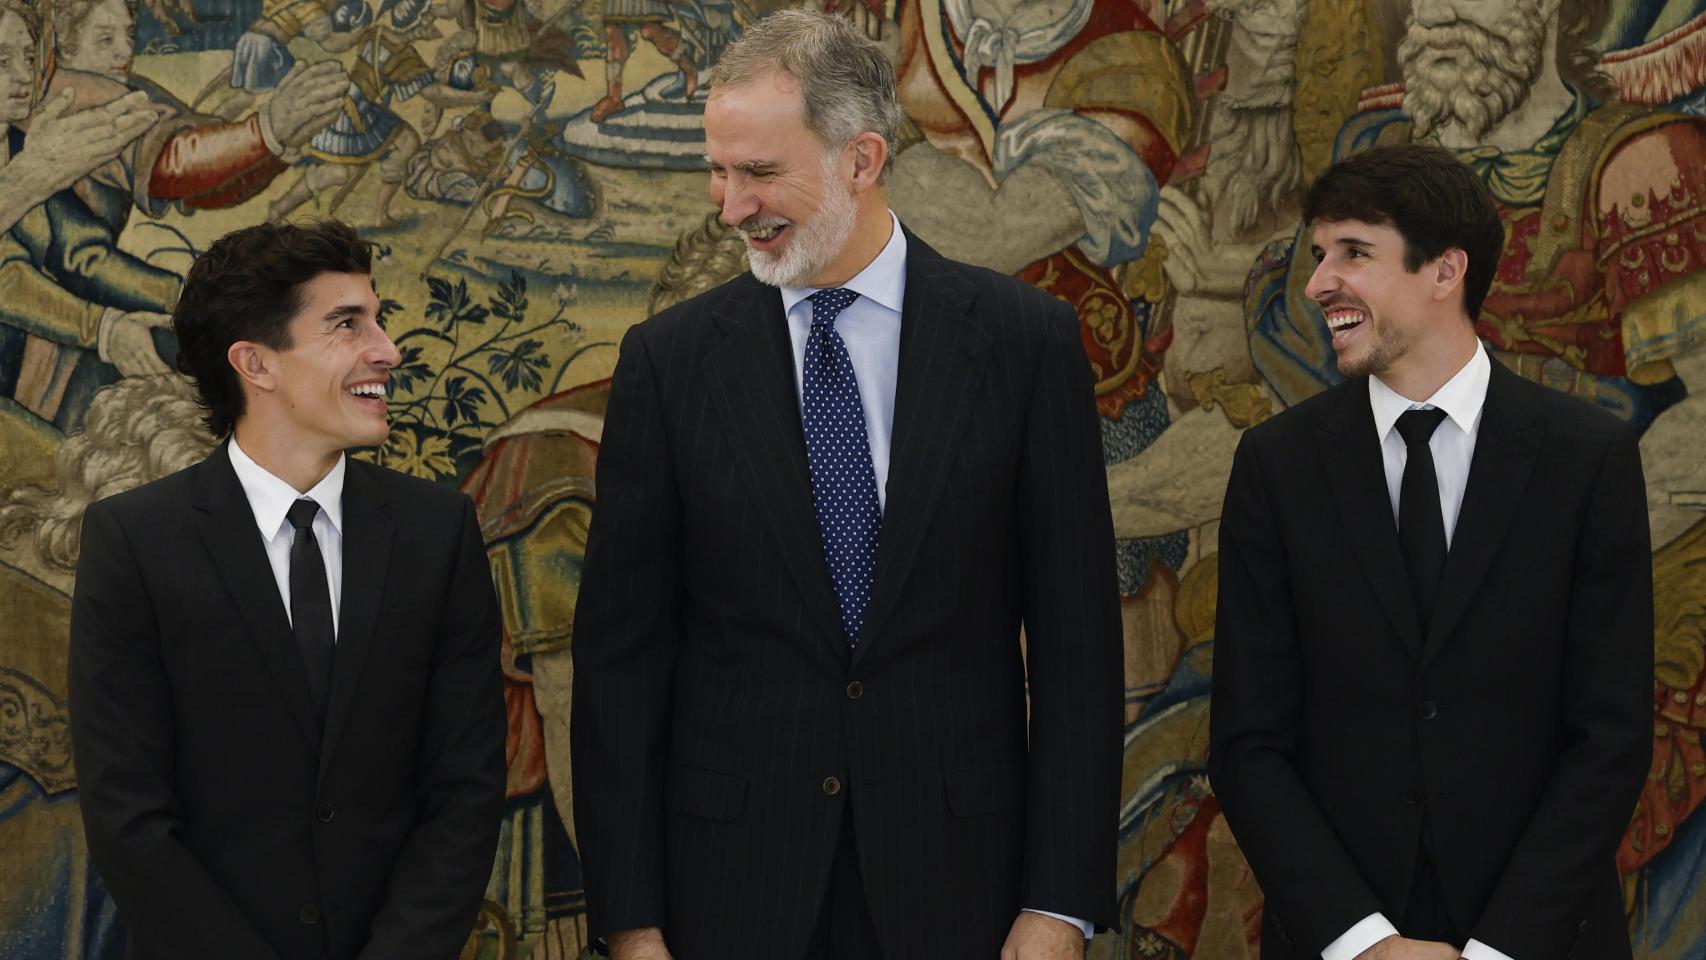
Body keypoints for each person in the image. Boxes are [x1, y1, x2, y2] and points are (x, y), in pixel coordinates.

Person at [570, 9, 1123, 960]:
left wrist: (1060, 903)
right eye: (718, 170)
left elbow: (1078, 648)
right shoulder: (669, 363)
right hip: (731, 894)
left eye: (759, 172)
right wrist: (630, 921)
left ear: (861, 160)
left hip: (962, 889)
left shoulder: (1024, 344)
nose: (730, 205)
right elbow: (621, 664)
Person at [1208, 145, 1653, 960]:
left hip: (1543, 939)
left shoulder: (1586, 458)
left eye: (1354, 253)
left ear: (1445, 271)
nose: (1317, 285)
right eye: (1318, 256)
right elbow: (1247, 745)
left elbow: (1612, 736)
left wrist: (1499, 948)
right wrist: (1364, 942)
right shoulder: (1276, 467)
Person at [68, 219, 507, 960]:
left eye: (379, 319)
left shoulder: (439, 533)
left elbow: (464, 792)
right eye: (346, 324)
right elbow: (128, 818)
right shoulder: (133, 543)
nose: (388, 351)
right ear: (256, 364)